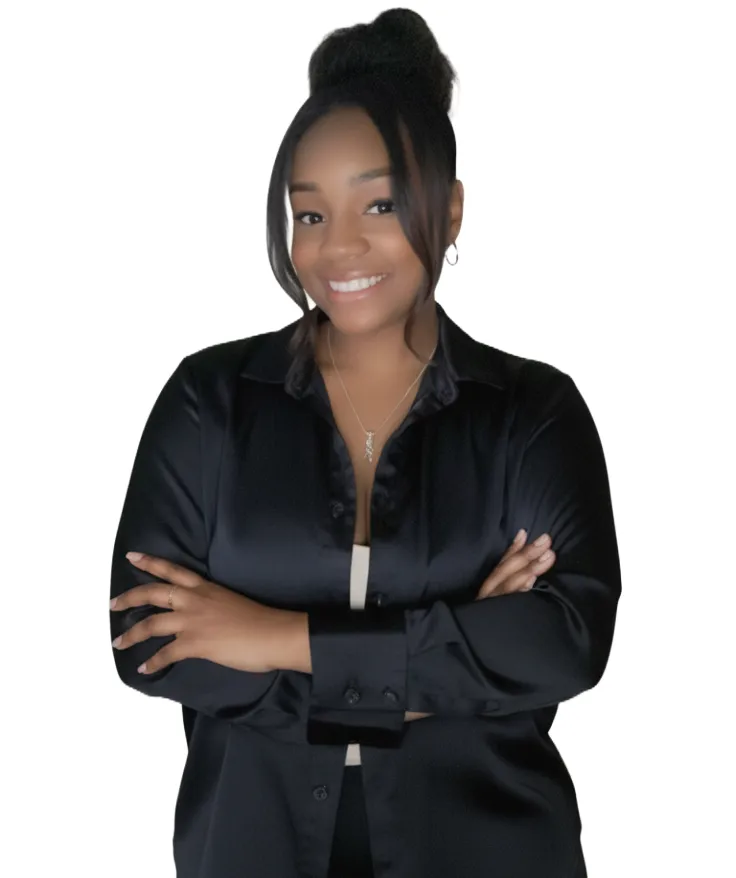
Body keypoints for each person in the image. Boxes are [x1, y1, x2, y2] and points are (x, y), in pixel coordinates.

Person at [109, 8, 621, 877]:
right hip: (252, 851)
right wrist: (442, 666)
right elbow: (149, 643)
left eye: (379, 204)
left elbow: (564, 641)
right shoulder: (209, 402)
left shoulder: (532, 414)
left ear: (449, 210)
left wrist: (269, 636)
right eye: (309, 214)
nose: (337, 246)